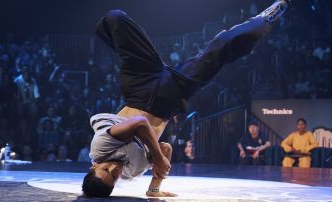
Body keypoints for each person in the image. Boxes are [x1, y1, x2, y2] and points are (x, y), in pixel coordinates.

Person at [83, 0, 290, 197]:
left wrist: (158, 159)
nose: (113, 168)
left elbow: (140, 123)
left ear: (94, 165)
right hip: (171, 96)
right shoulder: (130, 172)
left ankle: (117, 44)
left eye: (105, 169)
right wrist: (154, 187)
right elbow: (165, 148)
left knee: (115, 19)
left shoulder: (100, 148)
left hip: (141, 87)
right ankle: (262, 21)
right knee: (216, 53)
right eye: (114, 176)